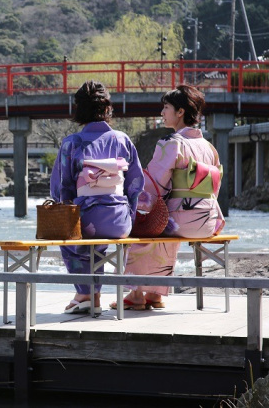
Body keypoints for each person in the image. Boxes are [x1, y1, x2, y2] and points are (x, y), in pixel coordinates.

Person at [111, 85, 225, 310]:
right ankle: (155, 294)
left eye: (166, 107)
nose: (162, 112)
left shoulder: (171, 143)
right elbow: (214, 187)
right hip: (208, 221)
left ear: (180, 112)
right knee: (167, 221)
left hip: (183, 221)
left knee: (146, 225)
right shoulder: (209, 147)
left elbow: (154, 186)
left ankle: (136, 294)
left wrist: (131, 202)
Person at [51, 80, 144, 314]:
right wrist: (127, 214)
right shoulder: (122, 139)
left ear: (79, 109)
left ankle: (86, 294)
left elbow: (61, 188)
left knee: (71, 236)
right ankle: (93, 295)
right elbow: (135, 184)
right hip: (120, 222)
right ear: (107, 108)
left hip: (86, 220)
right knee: (99, 235)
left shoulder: (72, 143)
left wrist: (71, 205)